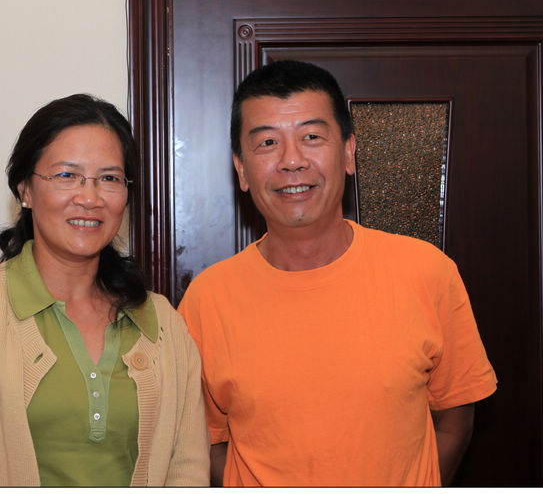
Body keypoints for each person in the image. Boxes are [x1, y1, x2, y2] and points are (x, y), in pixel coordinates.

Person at [177, 60, 497, 487]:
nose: (292, 161)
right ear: (241, 170)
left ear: (348, 153)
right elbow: (206, 444)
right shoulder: (207, 299)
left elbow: (456, 418)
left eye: (311, 137)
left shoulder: (427, 273)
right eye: (268, 142)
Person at [0, 94, 210, 486]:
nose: (90, 198)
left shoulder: (163, 323)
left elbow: (187, 469)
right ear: (25, 190)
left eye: (109, 179)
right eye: (67, 175)